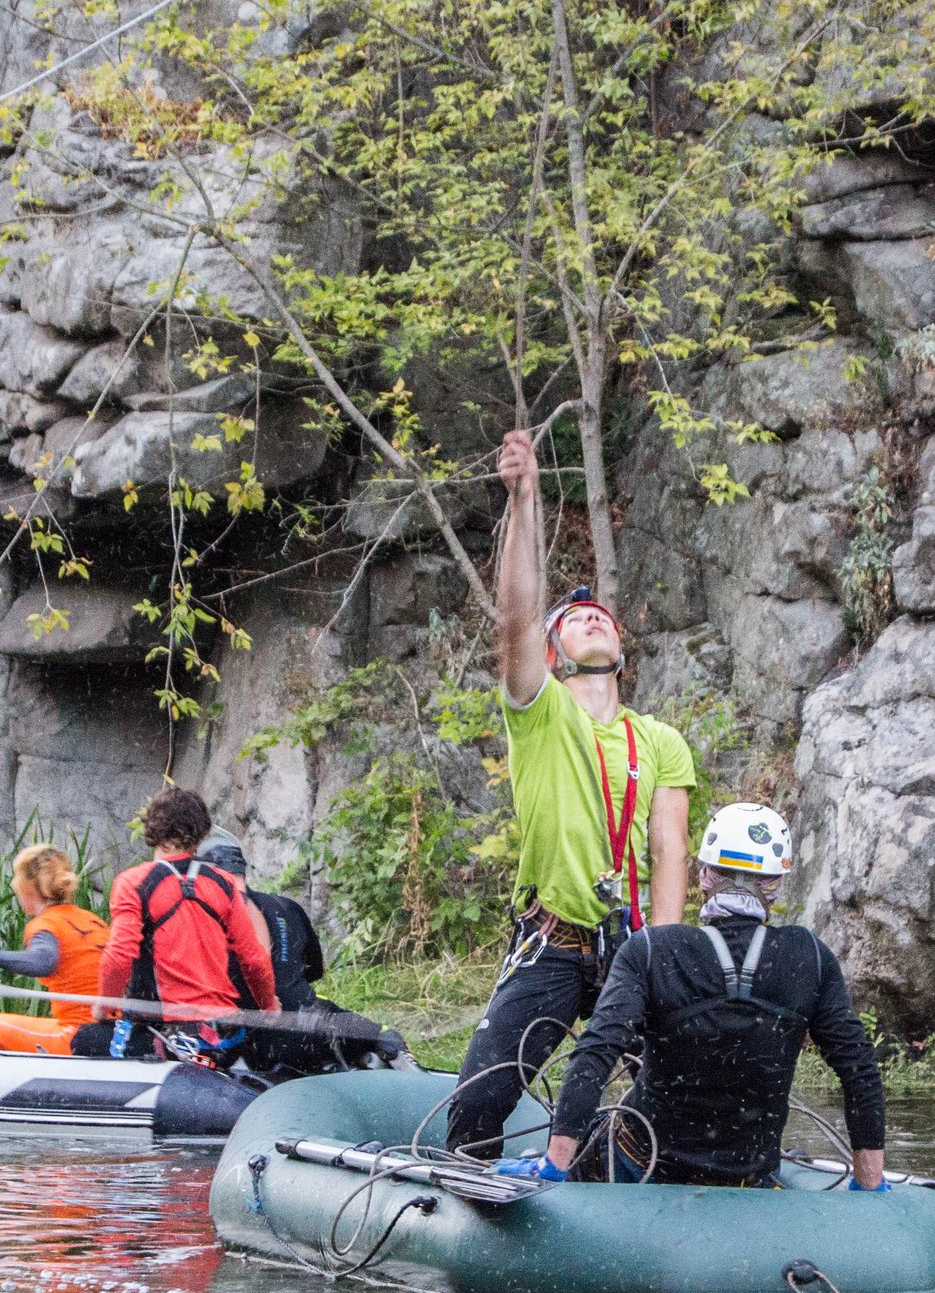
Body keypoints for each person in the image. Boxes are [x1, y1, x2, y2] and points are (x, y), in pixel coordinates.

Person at [442, 426, 697, 1156]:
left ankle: (619, 1168)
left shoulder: (660, 741)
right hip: (556, 944)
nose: (592, 616)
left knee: (679, 1100)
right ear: (554, 654)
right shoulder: (541, 713)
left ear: (621, 647)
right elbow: (516, 617)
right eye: (575, 618)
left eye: (602, 616)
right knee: (475, 1109)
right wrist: (524, 505)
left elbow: (670, 852)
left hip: (635, 951)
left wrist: (667, 959)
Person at [495, 803, 889, 1190]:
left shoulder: (654, 950)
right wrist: (870, 1186)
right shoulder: (809, 957)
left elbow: (596, 1052)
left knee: (600, 1135)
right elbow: (859, 1070)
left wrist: (555, 1165)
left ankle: (549, 1160)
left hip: (641, 1164)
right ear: (775, 884)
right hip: (746, 1178)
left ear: (704, 876)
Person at [72, 787, 277, 1062]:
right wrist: (268, 1006)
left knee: (83, 1040)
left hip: (169, 1037)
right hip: (224, 1038)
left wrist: (105, 1003)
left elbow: (119, 957)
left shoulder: (133, 882)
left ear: (152, 828)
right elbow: (254, 959)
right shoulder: (223, 883)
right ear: (203, 833)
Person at [195, 827, 407, 1077]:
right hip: (319, 1028)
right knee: (369, 1031)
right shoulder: (286, 907)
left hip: (267, 1049)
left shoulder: (202, 918)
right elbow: (312, 971)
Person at [0, 844, 111, 1055]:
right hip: (108, 1031)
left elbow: (43, 963)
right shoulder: (92, 920)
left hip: (78, 1032)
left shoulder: (46, 924)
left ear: (27, 887)